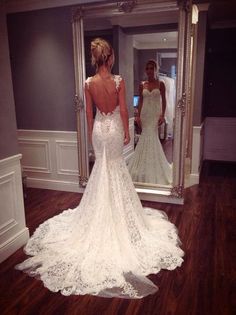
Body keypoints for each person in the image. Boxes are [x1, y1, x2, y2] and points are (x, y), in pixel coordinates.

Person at [16, 39, 184, 299]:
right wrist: (127, 131)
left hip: (99, 131)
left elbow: (90, 115)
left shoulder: (88, 83)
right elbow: (125, 109)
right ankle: (118, 218)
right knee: (116, 169)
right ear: (111, 57)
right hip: (115, 128)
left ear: (96, 59)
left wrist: (93, 136)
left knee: (103, 170)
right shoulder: (118, 81)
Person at [128, 59, 172, 185]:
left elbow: (164, 101)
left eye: (151, 68)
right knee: (144, 137)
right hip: (145, 114)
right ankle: (142, 166)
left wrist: (162, 115)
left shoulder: (161, 84)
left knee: (152, 137)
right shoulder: (142, 85)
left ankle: (154, 166)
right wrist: (137, 116)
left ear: (155, 70)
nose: (149, 71)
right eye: (147, 68)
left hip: (155, 114)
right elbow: (140, 101)